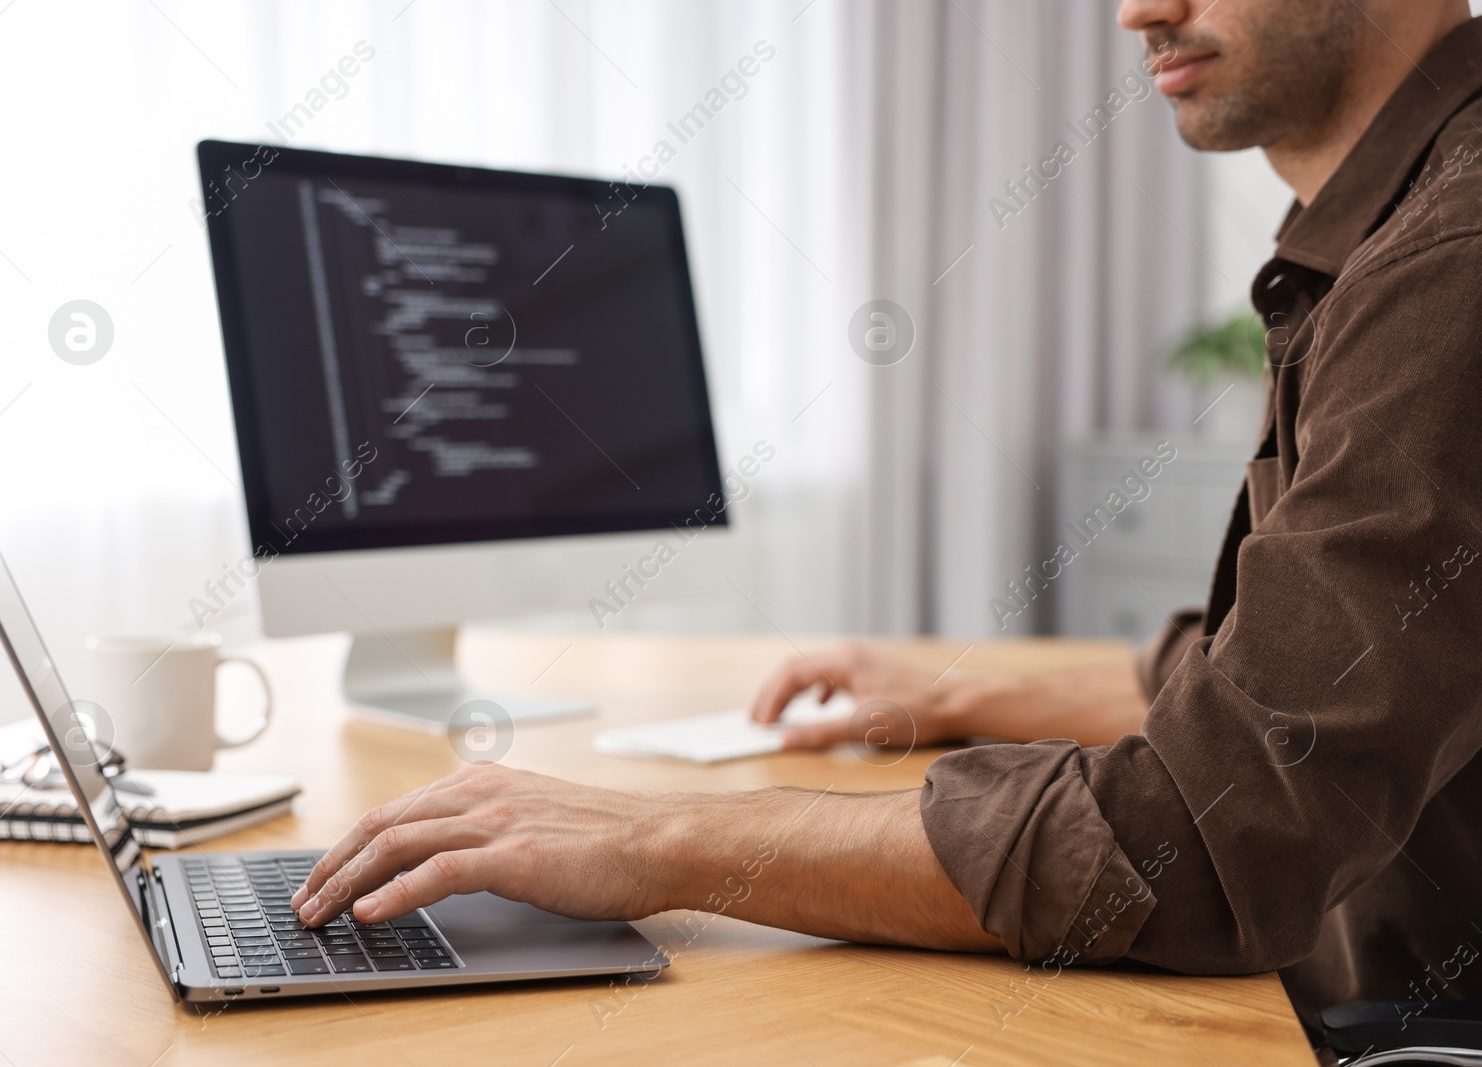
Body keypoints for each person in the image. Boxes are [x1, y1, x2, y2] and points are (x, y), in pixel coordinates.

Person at [292, 0, 1482, 1035]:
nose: (1136, 11)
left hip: (1382, 1008)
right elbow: (1272, 686)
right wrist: (953, 688)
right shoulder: (1395, 231)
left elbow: (1201, 835)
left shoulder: (1452, 260)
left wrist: (656, 841)